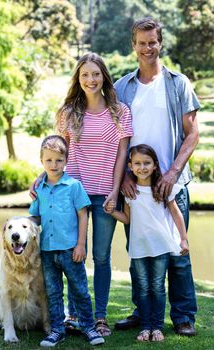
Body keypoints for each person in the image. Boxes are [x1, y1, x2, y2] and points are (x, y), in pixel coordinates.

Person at [31, 52, 133, 336]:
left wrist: (114, 192)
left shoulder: (120, 112)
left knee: (101, 257)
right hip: (70, 195)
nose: (91, 79)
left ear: (104, 77)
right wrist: (43, 176)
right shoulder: (68, 113)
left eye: (96, 74)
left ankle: (99, 318)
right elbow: (57, 154)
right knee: (73, 255)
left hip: (104, 194)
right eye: (85, 74)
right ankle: (74, 315)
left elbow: (122, 154)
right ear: (78, 78)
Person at [114, 17, 200, 336]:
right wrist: (123, 177)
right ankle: (144, 311)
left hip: (172, 185)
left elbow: (193, 134)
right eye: (141, 42)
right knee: (139, 253)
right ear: (133, 46)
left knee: (177, 252)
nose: (147, 47)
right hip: (136, 188)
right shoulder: (122, 87)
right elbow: (116, 137)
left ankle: (182, 316)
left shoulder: (178, 83)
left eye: (153, 41)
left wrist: (173, 172)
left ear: (160, 43)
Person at [106, 144, 189, 342]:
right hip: (139, 247)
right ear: (130, 166)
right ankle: (145, 327)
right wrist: (113, 212)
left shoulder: (162, 188)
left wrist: (183, 238)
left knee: (158, 287)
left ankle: (157, 328)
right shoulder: (130, 192)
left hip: (160, 246)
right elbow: (128, 219)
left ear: (154, 165)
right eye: (137, 163)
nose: (142, 167)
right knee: (142, 287)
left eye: (146, 163)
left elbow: (176, 214)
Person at [29, 135, 105, 347]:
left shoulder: (74, 186)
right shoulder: (40, 189)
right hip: (48, 250)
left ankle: (89, 328)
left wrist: (80, 244)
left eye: (59, 160)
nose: (54, 165)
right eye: (49, 160)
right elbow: (35, 218)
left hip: (71, 249)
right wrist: (19, 224)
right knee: (53, 292)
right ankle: (57, 330)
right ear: (42, 161)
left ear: (66, 160)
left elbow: (83, 215)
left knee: (80, 290)